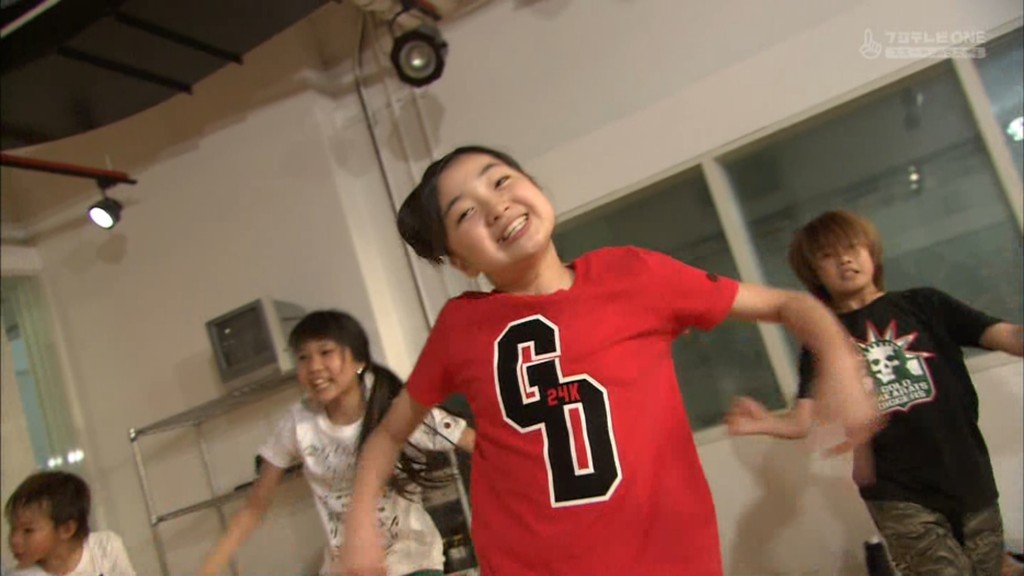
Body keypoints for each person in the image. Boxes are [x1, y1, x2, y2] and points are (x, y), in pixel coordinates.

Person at [340, 146, 881, 576]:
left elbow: (787, 304)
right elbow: (389, 433)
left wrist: (838, 360)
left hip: (672, 561)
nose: (495, 206)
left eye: (500, 181)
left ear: (534, 186)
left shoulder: (634, 274)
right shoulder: (461, 327)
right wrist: (360, 525)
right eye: (465, 213)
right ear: (460, 261)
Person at [726, 209, 1024, 576]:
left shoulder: (924, 304)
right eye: (828, 255)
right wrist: (764, 423)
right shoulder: (823, 338)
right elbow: (802, 421)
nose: (845, 259)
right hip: (896, 491)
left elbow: (1006, 336)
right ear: (813, 271)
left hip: (969, 474)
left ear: (871, 252)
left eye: (852, 248)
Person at [197, 310, 474, 576]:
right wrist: (209, 567)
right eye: (303, 357)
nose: (314, 367)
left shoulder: (394, 408)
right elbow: (254, 507)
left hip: (411, 564)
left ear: (358, 360)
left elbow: (480, 445)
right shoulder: (298, 423)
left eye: (326, 352)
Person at [5, 471, 136, 576]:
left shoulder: (105, 548)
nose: (14, 540)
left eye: (28, 530)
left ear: (66, 529)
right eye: (12, 528)